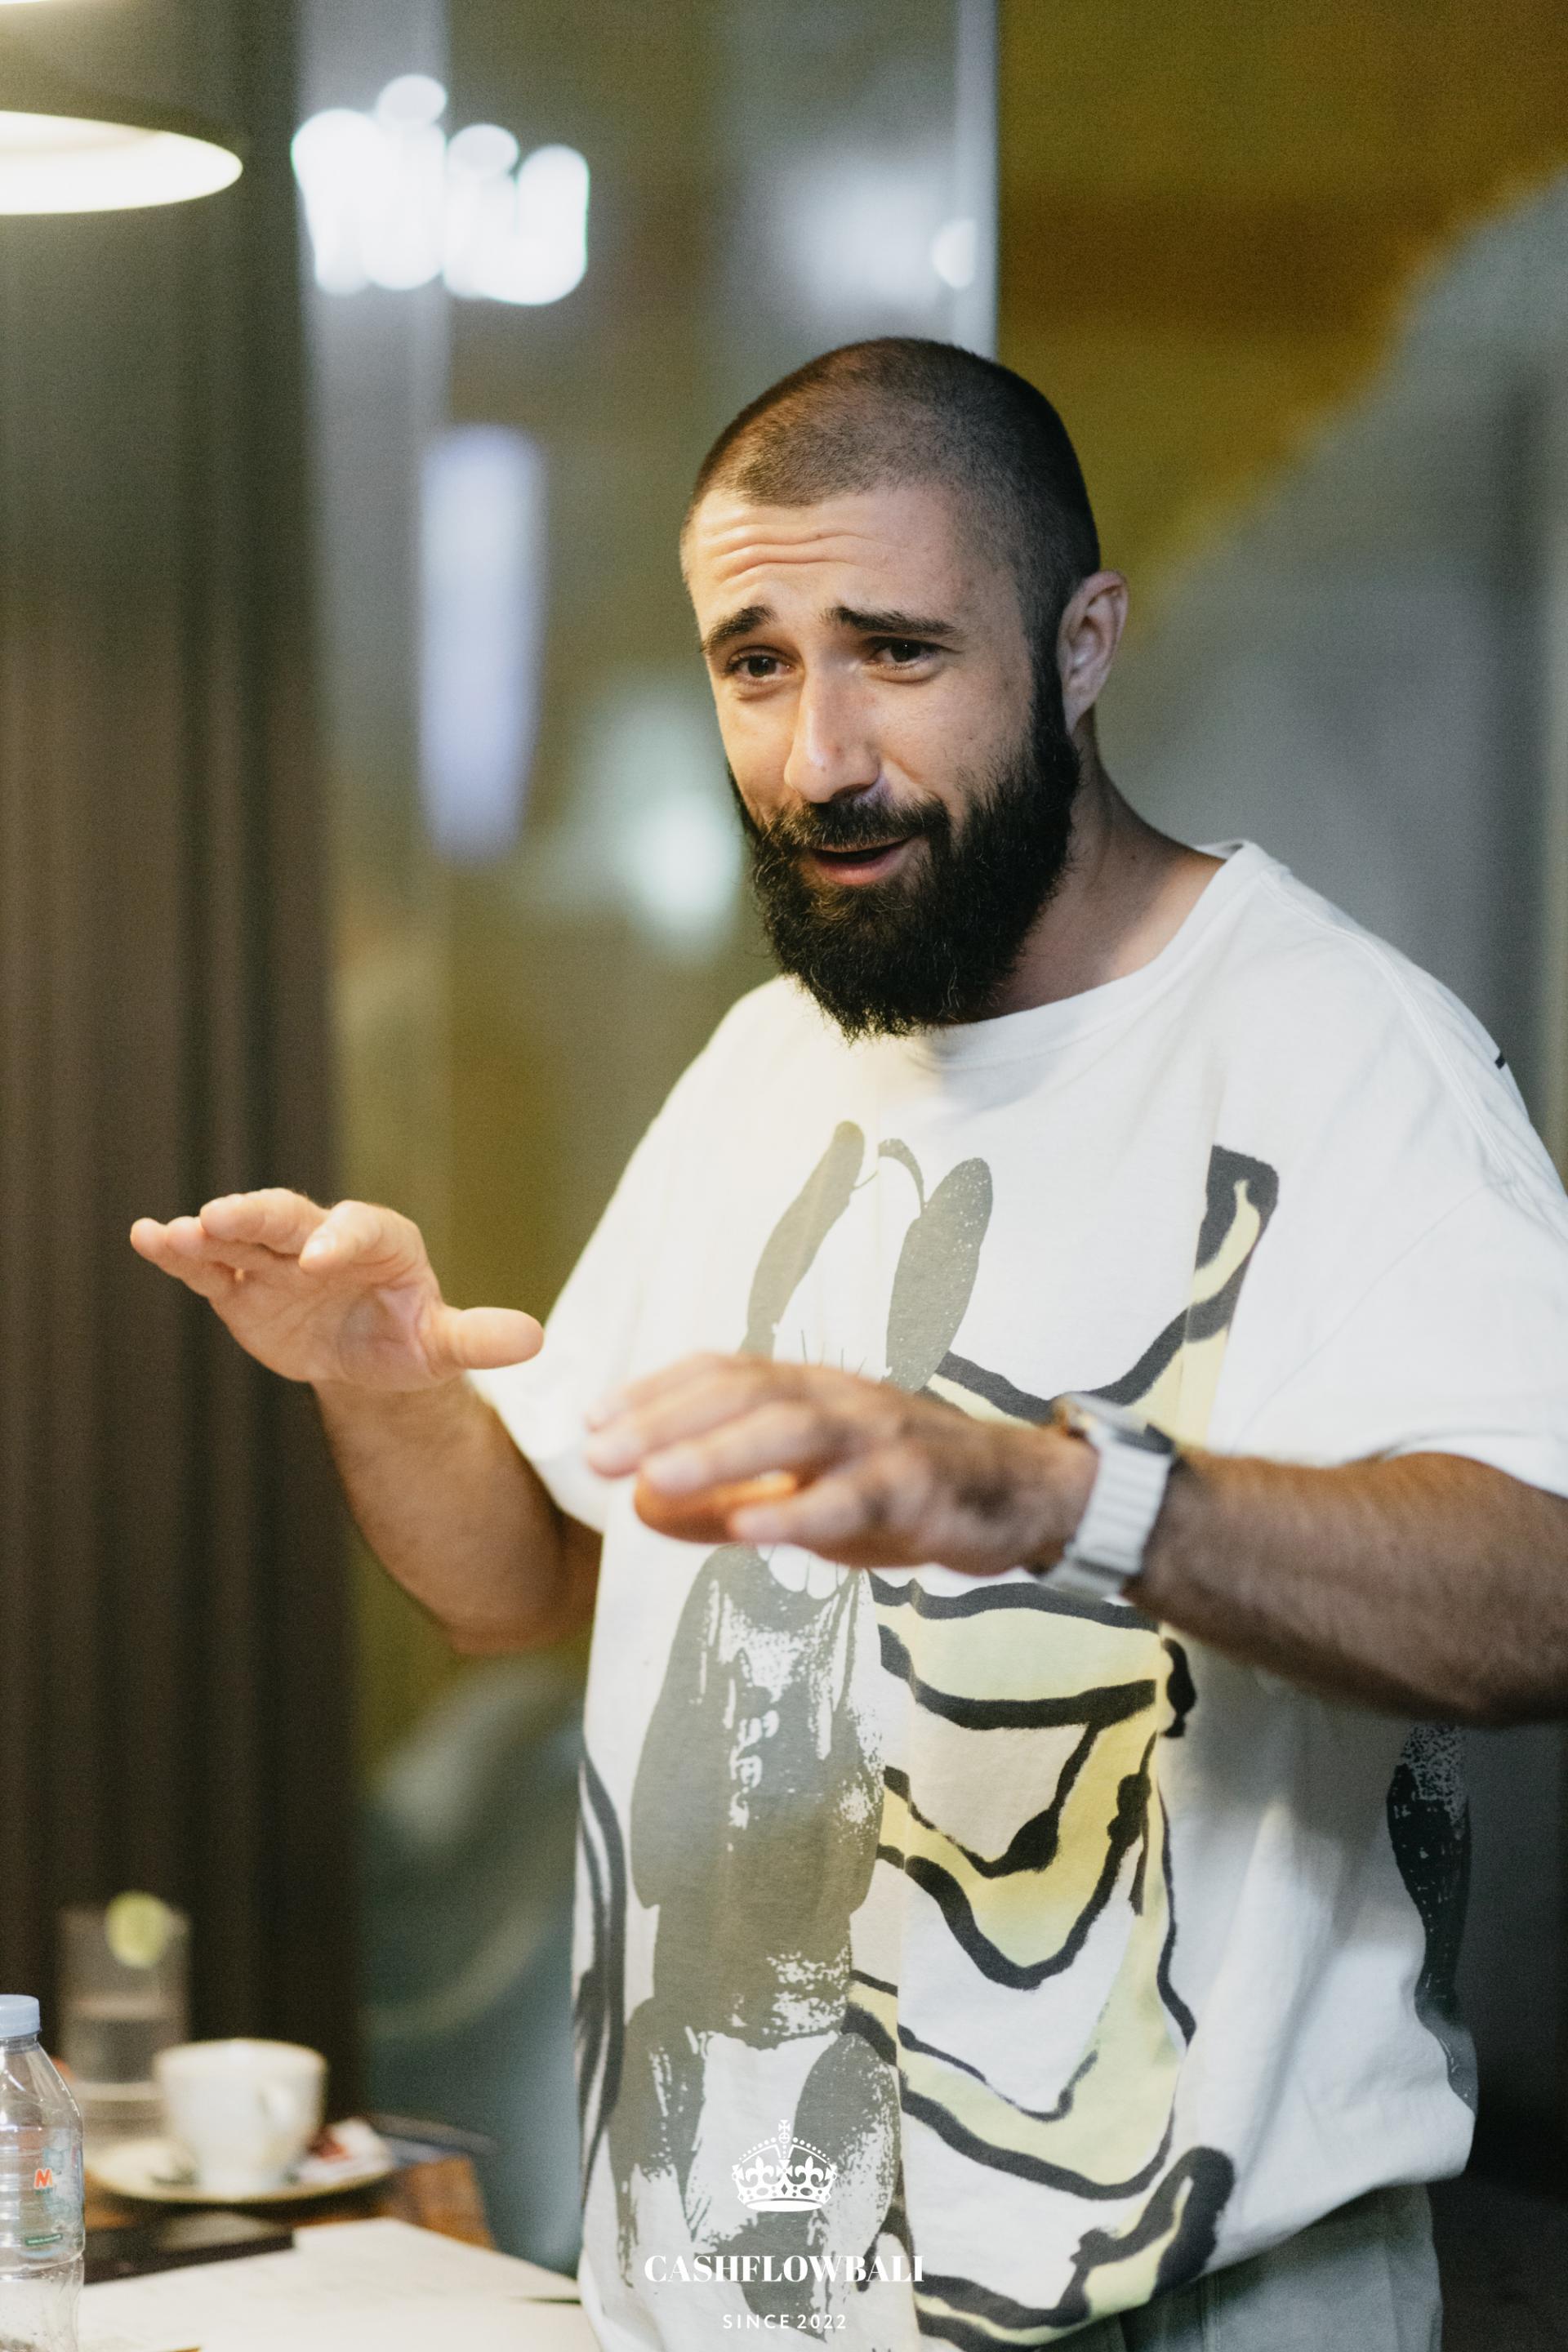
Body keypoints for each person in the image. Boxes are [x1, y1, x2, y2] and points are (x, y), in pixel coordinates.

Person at [132, 339, 1568, 2352]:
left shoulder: (1340, 1052)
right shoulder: (773, 1060)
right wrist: (387, 1385)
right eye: (755, 663)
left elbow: (1541, 1599)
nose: (819, 756)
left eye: (896, 652)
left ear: (1081, 645)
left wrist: (1050, 1494)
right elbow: (524, 1580)